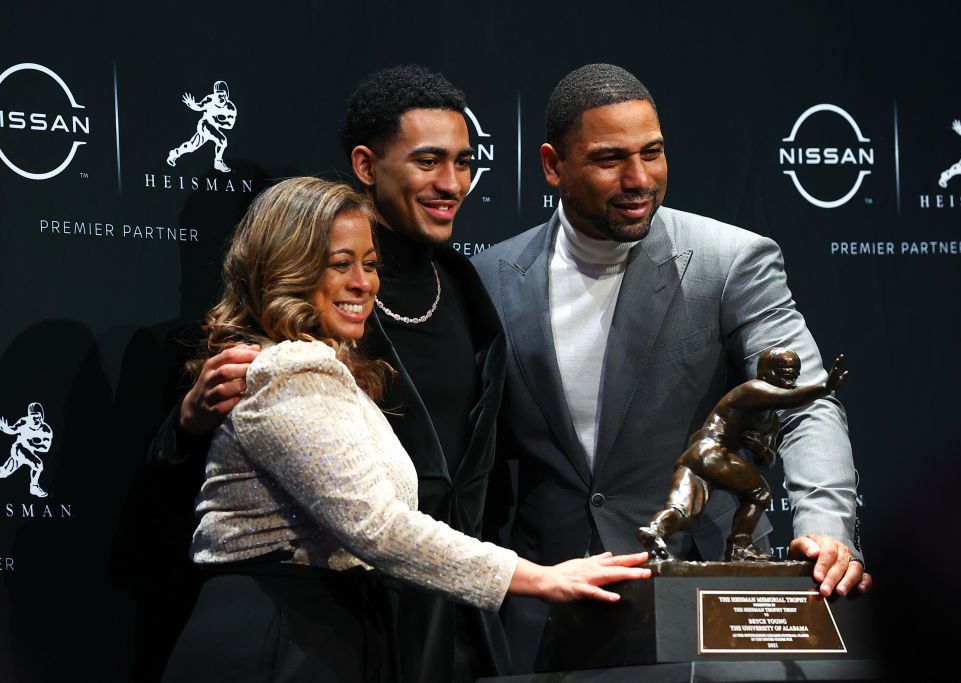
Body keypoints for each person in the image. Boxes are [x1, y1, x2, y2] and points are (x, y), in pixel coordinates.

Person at [158, 176, 650, 683]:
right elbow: (378, 527)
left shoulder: (315, 370)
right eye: (339, 263)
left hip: (317, 629)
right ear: (288, 269)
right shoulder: (290, 370)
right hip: (278, 633)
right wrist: (540, 579)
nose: (363, 283)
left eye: (370, 265)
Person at [471, 63, 872, 672]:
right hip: (548, 612)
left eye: (652, 154)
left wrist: (826, 525)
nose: (639, 180)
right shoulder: (491, 277)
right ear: (553, 165)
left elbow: (808, 406)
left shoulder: (730, 261)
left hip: (707, 599)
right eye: (609, 159)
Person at [149, 65, 516, 682]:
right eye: (429, 161)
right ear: (368, 166)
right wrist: (185, 423)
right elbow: (211, 468)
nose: (452, 182)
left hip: (451, 608)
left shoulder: (469, 290)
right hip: (334, 609)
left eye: (464, 161)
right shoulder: (308, 302)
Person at [637, 348, 847, 563]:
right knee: (760, 492)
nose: (792, 375)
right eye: (785, 370)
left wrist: (760, 448)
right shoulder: (751, 390)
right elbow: (789, 398)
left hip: (698, 457)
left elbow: (769, 460)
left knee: (683, 511)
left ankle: (655, 532)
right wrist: (825, 388)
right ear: (766, 373)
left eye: (795, 371)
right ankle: (740, 545)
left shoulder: (772, 421)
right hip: (710, 451)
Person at [166, 80, 237, 173]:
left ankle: (175, 153)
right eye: (218, 94)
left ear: (226, 94)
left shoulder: (231, 108)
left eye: (222, 94)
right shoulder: (210, 99)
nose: (220, 97)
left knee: (191, 147)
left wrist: (217, 121)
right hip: (205, 125)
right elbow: (199, 106)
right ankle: (218, 162)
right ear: (215, 94)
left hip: (214, 128)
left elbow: (230, 125)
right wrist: (192, 104)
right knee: (222, 141)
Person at [0, 401, 53, 498]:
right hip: (18, 449)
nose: (36, 420)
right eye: (33, 417)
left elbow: (46, 448)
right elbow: (13, 430)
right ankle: (34, 487)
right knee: (38, 465)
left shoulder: (46, 430)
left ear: (42, 417)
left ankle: (34, 487)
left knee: (3, 473)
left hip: (29, 452)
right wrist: (6, 429)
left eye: (38, 417)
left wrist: (32, 444)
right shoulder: (24, 422)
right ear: (29, 416)